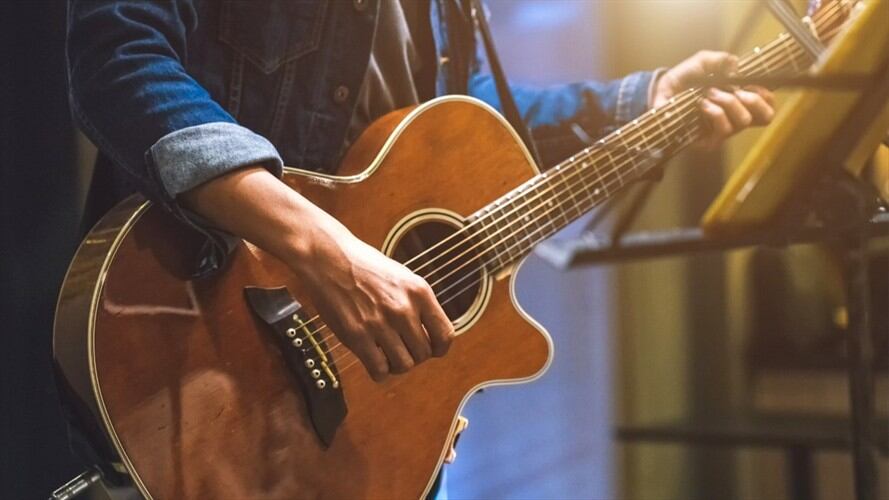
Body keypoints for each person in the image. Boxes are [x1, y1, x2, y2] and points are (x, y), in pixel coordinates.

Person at [67, 0, 774, 393]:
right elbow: (120, 60)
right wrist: (327, 252)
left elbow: (457, 107)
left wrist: (642, 100)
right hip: (196, 345)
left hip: (370, 407)